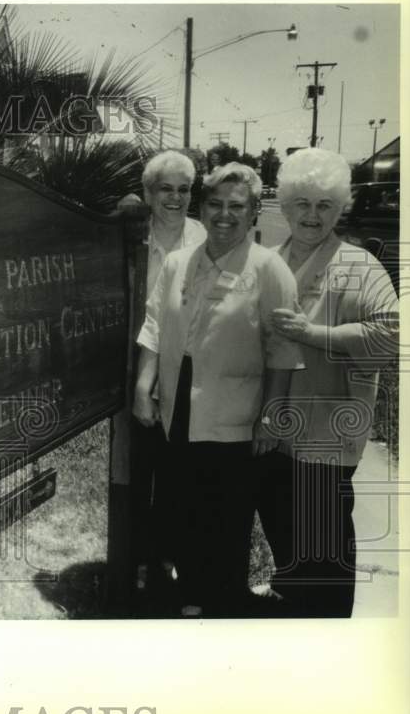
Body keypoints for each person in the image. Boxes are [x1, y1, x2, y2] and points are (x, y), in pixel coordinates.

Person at [133, 162, 304, 617]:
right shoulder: (177, 262)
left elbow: (282, 350)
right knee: (181, 502)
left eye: (236, 206)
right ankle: (190, 594)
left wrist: (271, 415)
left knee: (225, 513)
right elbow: (154, 324)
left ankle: (223, 602)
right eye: (215, 204)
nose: (224, 215)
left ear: (253, 214)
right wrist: (143, 384)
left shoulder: (270, 270)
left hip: (234, 411)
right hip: (178, 401)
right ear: (202, 208)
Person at [259, 147, 399, 617]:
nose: (312, 215)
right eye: (302, 203)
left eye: (324, 205)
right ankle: (289, 610)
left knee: (323, 556)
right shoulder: (267, 261)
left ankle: (329, 638)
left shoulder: (359, 265)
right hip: (272, 436)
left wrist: (313, 334)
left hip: (325, 439)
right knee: (285, 540)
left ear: (340, 209)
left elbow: (391, 336)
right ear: (285, 205)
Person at [129, 151, 207, 607]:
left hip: (186, 369)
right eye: (165, 189)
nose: (175, 198)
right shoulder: (132, 234)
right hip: (137, 362)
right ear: (148, 193)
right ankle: (139, 558)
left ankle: (169, 556)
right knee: (139, 470)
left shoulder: (203, 238)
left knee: (178, 472)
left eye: (183, 189)